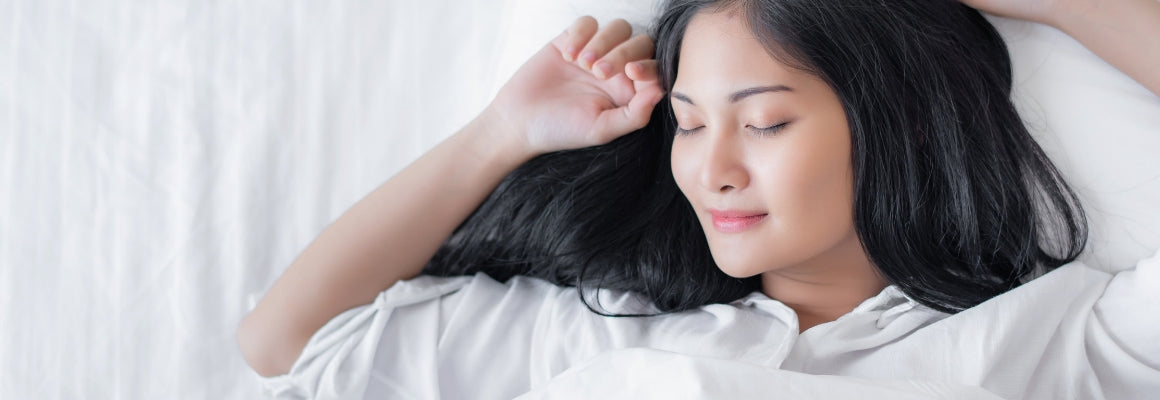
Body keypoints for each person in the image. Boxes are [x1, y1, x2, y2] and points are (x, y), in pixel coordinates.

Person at [238, 0, 1160, 398]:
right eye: (686, 122)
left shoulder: (1056, 342)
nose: (709, 169)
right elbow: (291, 349)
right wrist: (498, 136)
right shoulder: (603, 329)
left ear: (903, 129)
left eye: (762, 125)